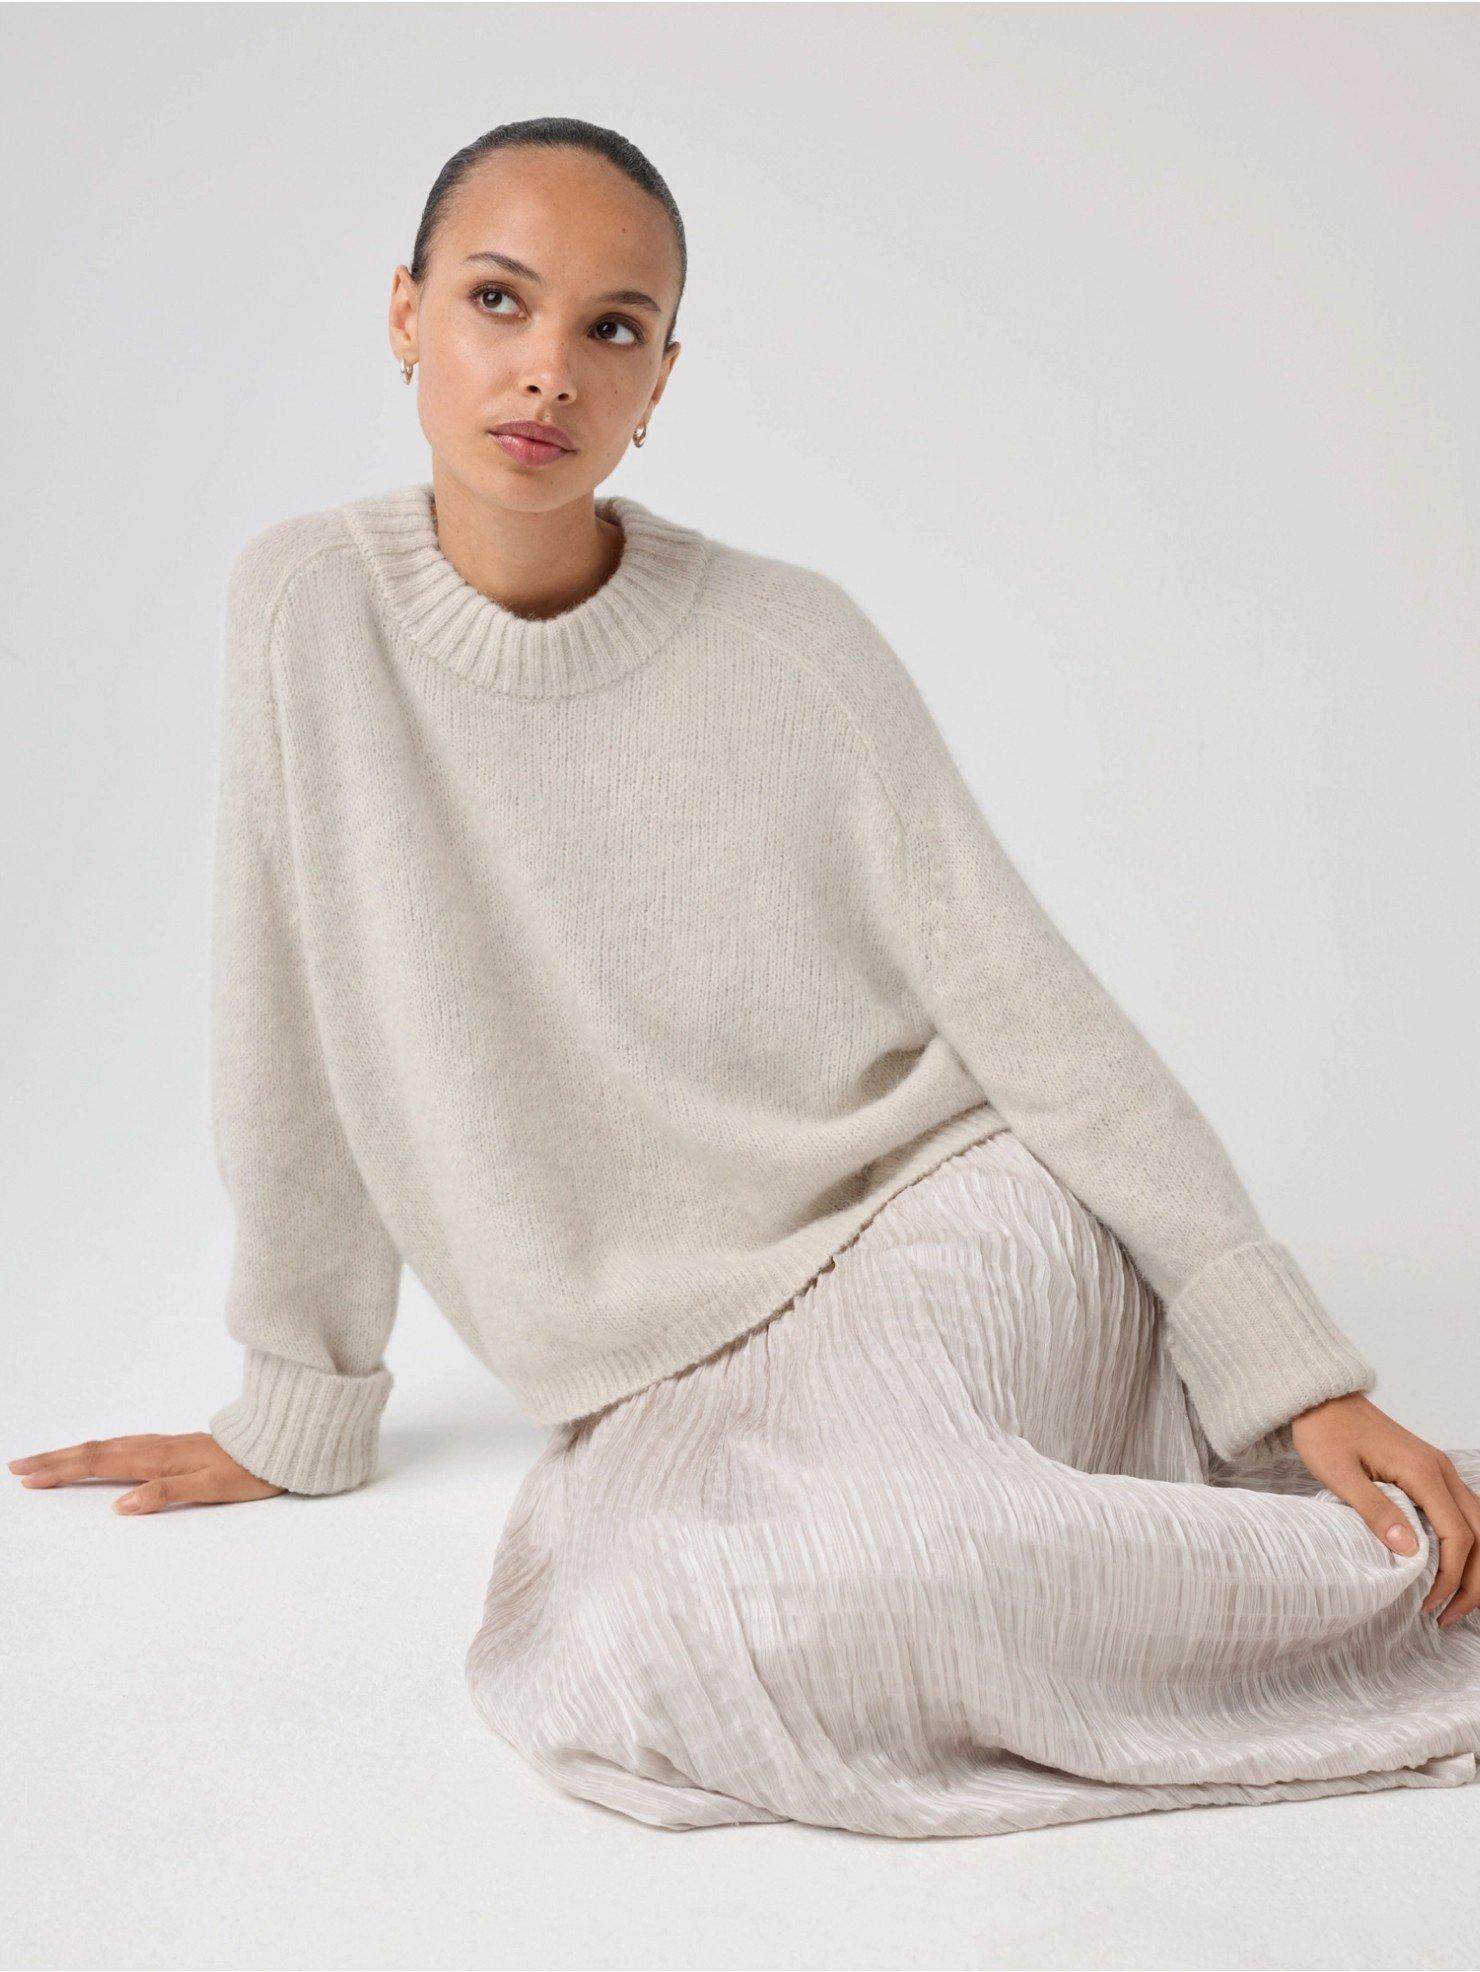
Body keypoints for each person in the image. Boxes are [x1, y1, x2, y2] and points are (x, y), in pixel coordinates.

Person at [12, 117, 1480, 1840]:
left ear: (663, 379)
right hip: (673, 1357)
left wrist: (1284, 1359)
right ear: (406, 315)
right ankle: (1291, 1579)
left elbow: (1037, 1011)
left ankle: (1402, 1594)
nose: (548, 368)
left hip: (934, 1211)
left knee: (876, 1565)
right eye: (501, 300)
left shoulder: (796, 645)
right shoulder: (301, 613)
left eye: (613, 329)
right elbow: (291, 1029)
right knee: (658, 1636)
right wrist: (299, 1403)